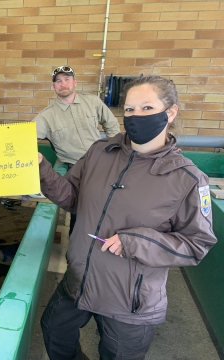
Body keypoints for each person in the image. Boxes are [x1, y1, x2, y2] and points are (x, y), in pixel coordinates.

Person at [37, 75, 217, 360]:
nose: (135, 116)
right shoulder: (100, 152)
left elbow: (196, 244)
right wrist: (41, 168)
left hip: (129, 301)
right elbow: (72, 197)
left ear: (170, 112)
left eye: (147, 108)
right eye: (130, 109)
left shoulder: (188, 179)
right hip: (79, 282)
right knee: (54, 330)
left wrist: (136, 242)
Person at [33, 65, 121, 234]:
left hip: (105, 162)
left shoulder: (93, 102)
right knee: (80, 210)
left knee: (113, 205)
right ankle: (77, 245)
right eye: (58, 81)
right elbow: (25, 139)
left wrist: (115, 150)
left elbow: (111, 125)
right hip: (77, 169)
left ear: (75, 82)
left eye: (67, 79)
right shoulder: (46, 116)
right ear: (54, 86)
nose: (63, 84)